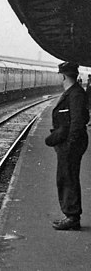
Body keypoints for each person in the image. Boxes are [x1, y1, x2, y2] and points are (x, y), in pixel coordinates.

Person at [45, 61, 89, 230]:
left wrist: (69, 143)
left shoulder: (75, 94)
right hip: (68, 143)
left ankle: (72, 217)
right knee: (66, 177)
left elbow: (78, 122)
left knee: (68, 178)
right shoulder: (73, 92)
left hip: (71, 144)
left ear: (63, 76)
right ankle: (69, 215)